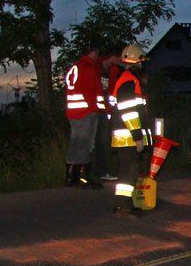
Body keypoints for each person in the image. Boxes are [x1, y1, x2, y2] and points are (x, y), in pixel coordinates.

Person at [111, 44, 152, 217]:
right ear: (137, 62)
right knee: (129, 170)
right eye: (141, 62)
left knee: (129, 170)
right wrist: (137, 136)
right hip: (127, 135)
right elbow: (128, 111)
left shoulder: (127, 79)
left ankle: (124, 204)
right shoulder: (129, 80)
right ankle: (123, 206)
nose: (143, 66)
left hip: (126, 134)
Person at [64, 45, 106, 189]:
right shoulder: (89, 68)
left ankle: (71, 176)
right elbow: (93, 91)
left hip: (73, 111)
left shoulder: (75, 67)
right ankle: (83, 178)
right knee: (85, 144)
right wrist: (99, 108)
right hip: (86, 111)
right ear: (93, 52)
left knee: (75, 143)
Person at [94, 46, 122, 182]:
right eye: (119, 58)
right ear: (113, 56)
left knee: (104, 142)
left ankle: (102, 171)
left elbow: (112, 91)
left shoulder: (114, 70)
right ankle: (93, 171)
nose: (120, 61)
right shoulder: (96, 66)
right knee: (96, 142)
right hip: (93, 110)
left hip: (106, 111)